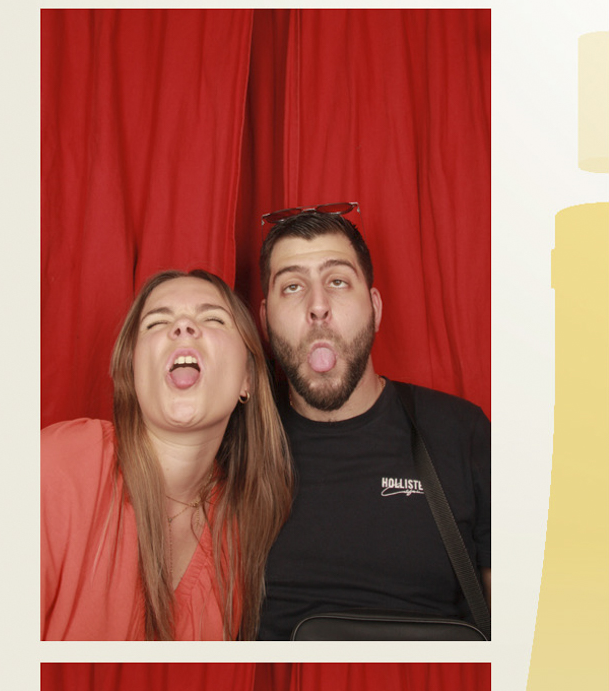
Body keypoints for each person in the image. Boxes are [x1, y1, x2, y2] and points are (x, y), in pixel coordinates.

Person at [255, 207, 491, 638]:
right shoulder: (236, 439)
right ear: (264, 321)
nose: (318, 307)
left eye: (338, 281)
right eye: (292, 286)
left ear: (376, 308)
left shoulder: (461, 431)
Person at [41, 271, 293, 641]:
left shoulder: (245, 529)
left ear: (248, 379)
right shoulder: (56, 466)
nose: (184, 327)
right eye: (157, 322)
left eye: (213, 319)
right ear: (131, 371)